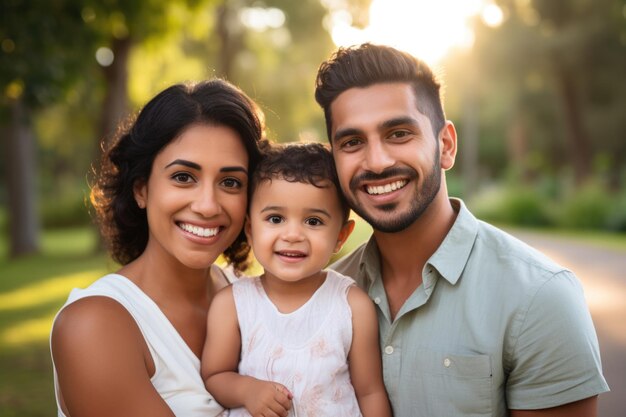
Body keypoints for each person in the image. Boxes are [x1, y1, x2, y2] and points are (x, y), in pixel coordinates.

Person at [314, 43, 610, 417]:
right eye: (352, 142)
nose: (377, 162)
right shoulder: (323, 294)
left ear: (446, 145)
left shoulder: (539, 298)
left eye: (399, 134)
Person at [50, 79, 265, 417]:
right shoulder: (92, 325)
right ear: (141, 189)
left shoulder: (252, 298)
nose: (208, 205)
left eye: (230, 182)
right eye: (183, 177)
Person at [201, 142, 392, 417]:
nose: (293, 234)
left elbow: (370, 391)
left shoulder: (352, 305)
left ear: (341, 235)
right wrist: (247, 390)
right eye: (276, 218)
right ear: (251, 230)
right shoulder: (233, 303)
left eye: (313, 221)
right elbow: (215, 375)